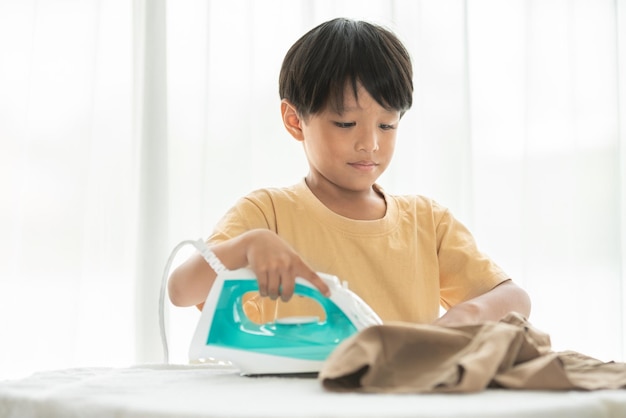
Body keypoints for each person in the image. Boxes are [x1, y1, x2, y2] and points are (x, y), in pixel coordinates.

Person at [168, 17, 531, 327]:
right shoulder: (266, 215)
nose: (370, 143)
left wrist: (465, 317)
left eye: (387, 126)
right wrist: (247, 246)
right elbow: (181, 291)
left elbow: (515, 300)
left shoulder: (428, 222)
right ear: (295, 121)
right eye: (345, 123)